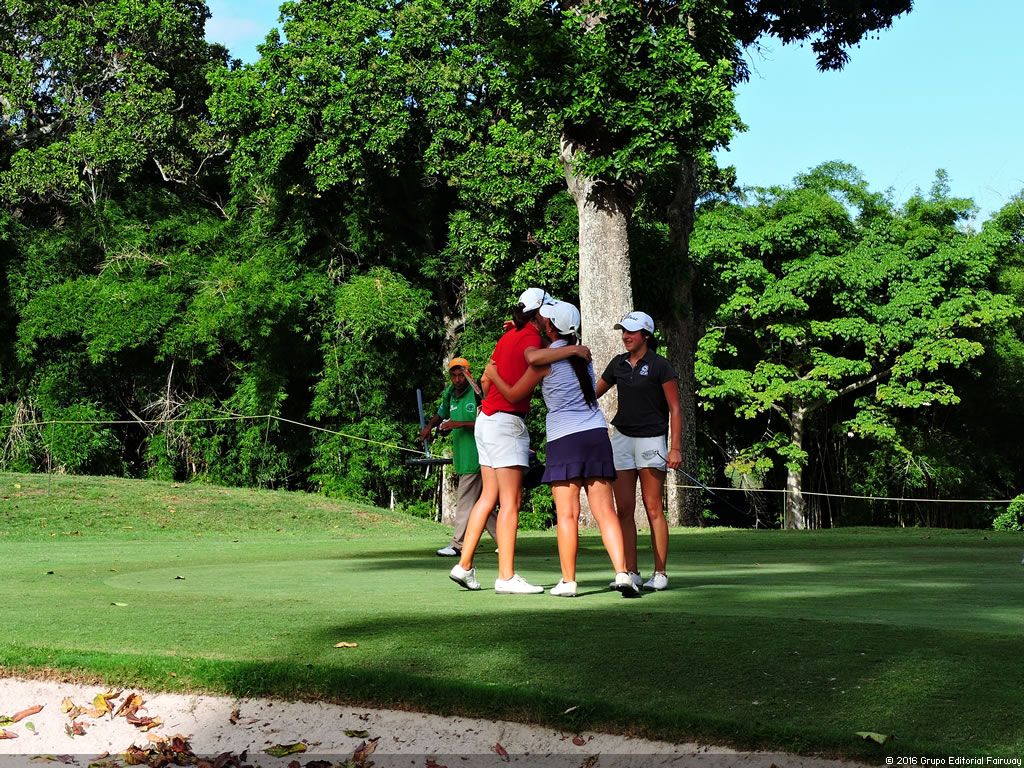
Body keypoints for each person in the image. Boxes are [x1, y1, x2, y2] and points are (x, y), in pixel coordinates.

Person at [485, 300, 640, 598]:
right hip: (595, 435)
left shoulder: (544, 362)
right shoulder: (584, 356)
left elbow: (514, 393)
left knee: (567, 515)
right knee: (606, 512)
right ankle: (622, 573)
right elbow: (554, 346)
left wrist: (493, 376)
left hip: (564, 438)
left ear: (549, 326)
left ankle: (569, 582)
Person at [448, 288, 588, 595]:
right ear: (539, 314)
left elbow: (485, 380)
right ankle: (506, 576)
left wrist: (494, 396)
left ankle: (464, 565)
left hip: (486, 421)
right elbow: (533, 359)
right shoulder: (531, 339)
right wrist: (573, 351)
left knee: (488, 497)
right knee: (511, 502)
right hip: (507, 422)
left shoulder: (508, 336)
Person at [596, 311, 682, 591]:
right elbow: (593, 393)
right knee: (623, 508)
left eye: (631, 331)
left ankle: (660, 572)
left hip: (652, 440)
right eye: (623, 331)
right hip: (622, 438)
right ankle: (631, 572)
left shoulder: (660, 365)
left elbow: (675, 408)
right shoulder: (618, 363)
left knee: (653, 507)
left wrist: (675, 448)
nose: (625, 336)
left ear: (646, 335)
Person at [419, 358, 497, 557]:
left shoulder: (477, 393)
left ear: (468, 375)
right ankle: (505, 540)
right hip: (462, 458)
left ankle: (457, 545)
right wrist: (430, 427)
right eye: (454, 375)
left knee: (465, 502)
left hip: (477, 456)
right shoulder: (450, 394)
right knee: (482, 503)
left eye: (461, 375)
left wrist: (458, 424)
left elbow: (488, 423)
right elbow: (441, 414)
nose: (457, 379)